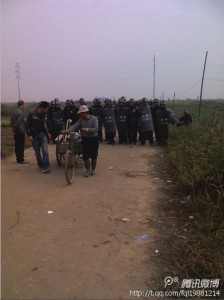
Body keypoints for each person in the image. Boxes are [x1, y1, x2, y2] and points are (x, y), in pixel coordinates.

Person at [67, 105, 99, 177]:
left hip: (93, 139)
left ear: (85, 112)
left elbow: (96, 129)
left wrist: (87, 129)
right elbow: (75, 126)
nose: (80, 115)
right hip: (85, 139)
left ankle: (93, 169)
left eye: (81, 113)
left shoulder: (94, 119)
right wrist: (67, 131)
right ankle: (87, 170)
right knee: (86, 155)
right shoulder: (81, 119)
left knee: (94, 155)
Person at [25, 101, 52, 173]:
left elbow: (46, 124)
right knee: (37, 152)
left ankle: (46, 167)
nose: (47, 111)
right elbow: (27, 125)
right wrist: (29, 135)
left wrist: (48, 133)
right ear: (42, 108)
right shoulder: (31, 114)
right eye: (46, 109)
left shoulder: (45, 114)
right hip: (34, 136)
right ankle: (41, 165)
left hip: (43, 135)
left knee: (45, 151)